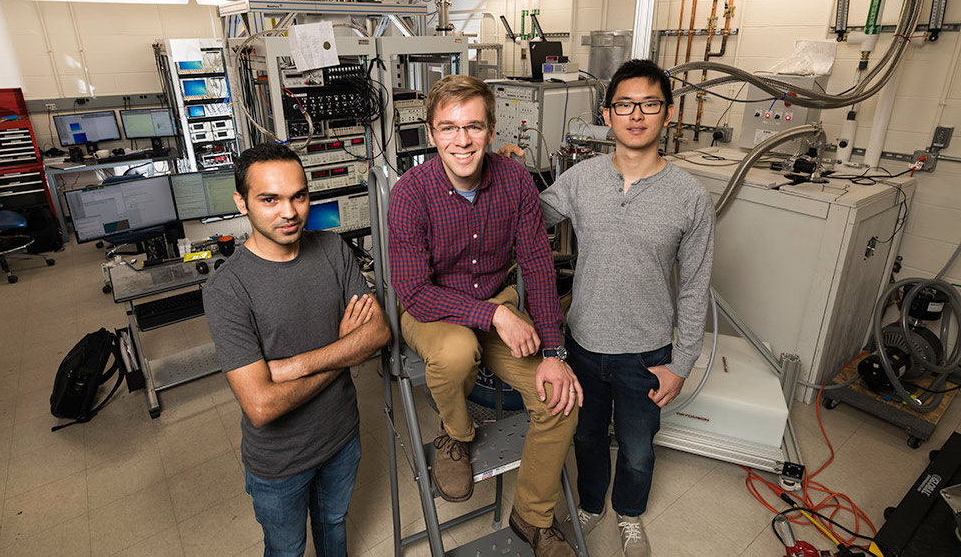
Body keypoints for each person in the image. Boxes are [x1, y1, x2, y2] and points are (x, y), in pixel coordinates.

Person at [387, 75, 581, 557]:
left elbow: (536, 262)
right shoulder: (411, 193)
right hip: (431, 310)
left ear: (491, 130)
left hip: (498, 305)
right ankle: (455, 435)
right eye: (449, 128)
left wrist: (555, 352)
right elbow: (412, 290)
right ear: (432, 133)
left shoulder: (514, 180)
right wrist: (493, 315)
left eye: (473, 126)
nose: (462, 140)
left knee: (562, 399)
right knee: (456, 352)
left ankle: (531, 516)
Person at [537, 60, 715, 557]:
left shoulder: (690, 198)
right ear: (607, 113)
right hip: (583, 345)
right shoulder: (581, 179)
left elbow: (696, 285)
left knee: (637, 451)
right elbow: (528, 221)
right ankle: (592, 503)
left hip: (647, 355)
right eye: (624, 105)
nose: (636, 115)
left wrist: (680, 364)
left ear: (668, 114)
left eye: (649, 105)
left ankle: (629, 514)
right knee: (587, 437)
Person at [203, 143, 390, 557]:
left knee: (335, 525)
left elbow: (377, 333)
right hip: (279, 461)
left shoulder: (332, 249)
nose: (289, 212)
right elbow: (262, 406)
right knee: (287, 549)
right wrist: (345, 351)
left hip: (342, 437)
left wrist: (290, 367)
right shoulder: (227, 290)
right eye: (269, 199)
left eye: (298, 196)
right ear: (241, 202)